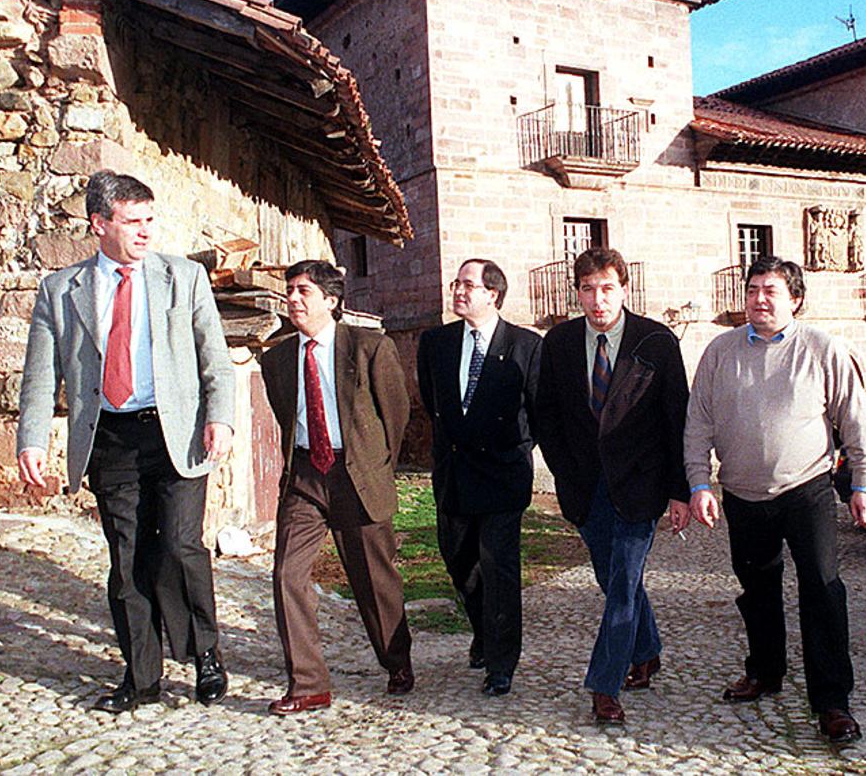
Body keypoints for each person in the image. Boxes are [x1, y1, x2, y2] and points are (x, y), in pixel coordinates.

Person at [17, 169, 234, 714]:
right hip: (110, 438)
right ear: (100, 224)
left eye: (149, 220)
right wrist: (32, 439)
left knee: (182, 547)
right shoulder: (60, 289)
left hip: (176, 433)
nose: (145, 231)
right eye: (133, 221)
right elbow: (41, 374)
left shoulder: (183, 278)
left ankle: (204, 652)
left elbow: (216, 359)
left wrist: (222, 418)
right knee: (129, 559)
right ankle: (141, 679)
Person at [684, 255, 866, 744]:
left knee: (822, 589)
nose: (758, 299)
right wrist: (699, 484)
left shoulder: (822, 349)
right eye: (752, 290)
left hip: (807, 488)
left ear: (795, 299)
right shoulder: (719, 352)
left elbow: (856, 422)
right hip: (743, 495)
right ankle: (766, 672)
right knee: (757, 590)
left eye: (770, 291)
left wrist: (864, 484)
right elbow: (698, 424)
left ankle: (833, 703)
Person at [535, 248, 690, 725]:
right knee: (614, 580)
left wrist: (681, 491)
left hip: (640, 487)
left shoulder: (655, 342)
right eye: (587, 289)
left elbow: (676, 420)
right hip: (584, 488)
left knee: (622, 584)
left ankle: (605, 685)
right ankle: (647, 649)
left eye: (606, 288)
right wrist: (563, 471)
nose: (597, 300)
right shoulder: (558, 343)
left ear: (624, 289)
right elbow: (546, 416)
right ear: (577, 292)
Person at [259, 260, 414, 715]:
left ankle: (396, 660)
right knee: (287, 574)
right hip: (306, 476)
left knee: (373, 579)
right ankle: (308, 685)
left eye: (304, 291)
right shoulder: (277, 360)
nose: (293, 299)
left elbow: (396, 413)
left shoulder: (370, 348)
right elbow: (285, 416)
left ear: (331, 300)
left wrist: (374, 464)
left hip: (356, 473)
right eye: (289, 291)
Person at [417, 259, 541, 697]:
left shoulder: (526, 345)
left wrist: (519, 451)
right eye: (457, 283)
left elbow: (538, 409)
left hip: (504, 473)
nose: (459, 291)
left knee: (499, 566)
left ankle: (501, 661)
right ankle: (484, 632)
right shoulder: (435, 343)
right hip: (454, 473)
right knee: (460, 563)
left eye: (468, 284)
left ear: (493, 294)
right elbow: (433, 401)